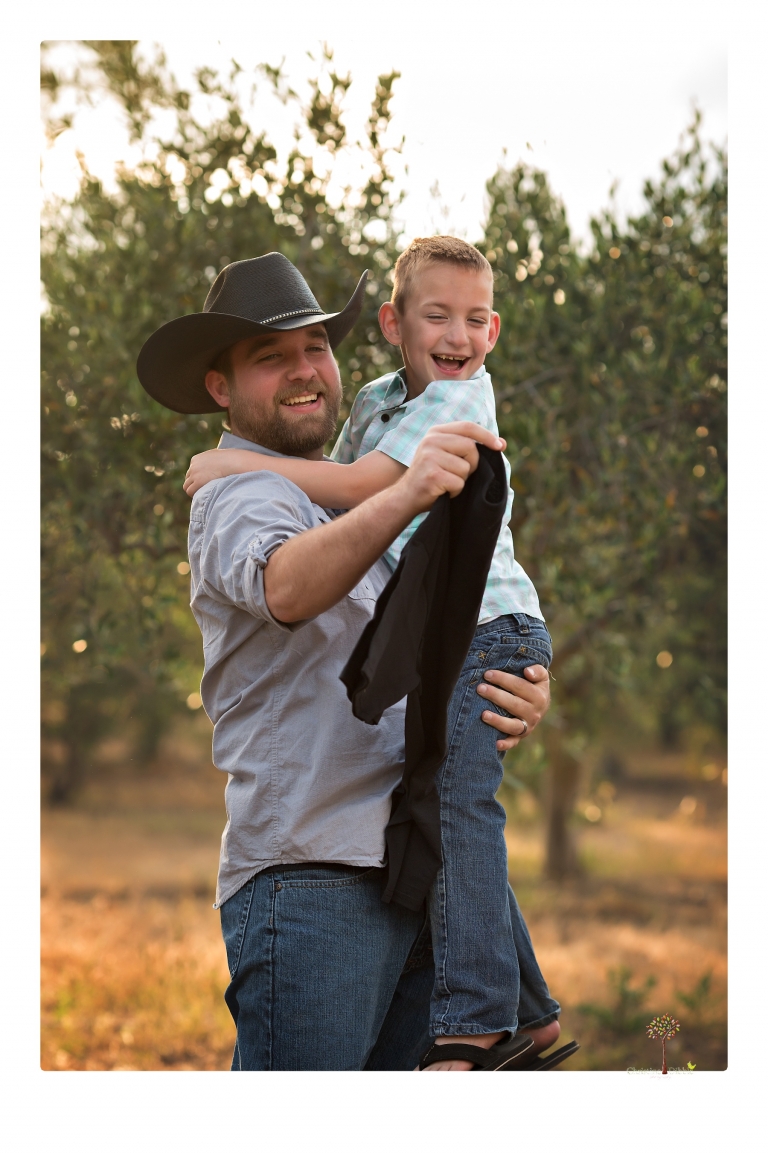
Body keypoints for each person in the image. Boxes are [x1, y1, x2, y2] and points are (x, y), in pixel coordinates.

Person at [137, 251, 553, 1071]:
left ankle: (520, 1011)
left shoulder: (340, 485)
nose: (304, 372)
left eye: (315, 349)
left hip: (408, 870)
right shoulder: (238, 494)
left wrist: (504, 695)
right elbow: (288, 587)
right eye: (271, 357)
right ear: (221, 387)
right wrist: (402, 493)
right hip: (313, 876)